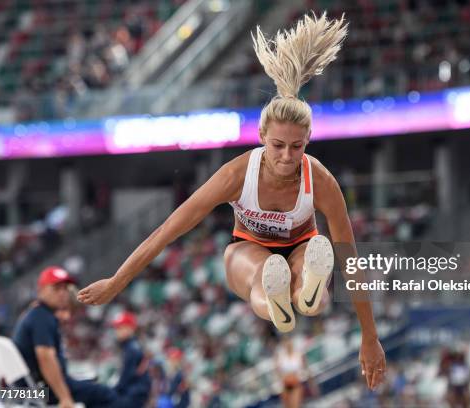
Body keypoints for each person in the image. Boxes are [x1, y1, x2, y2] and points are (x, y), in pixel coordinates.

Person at [77, 12, 386, 389]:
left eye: (297, 147)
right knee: (260, 276)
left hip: (303, 247)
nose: (288, 156)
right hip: (250, 250)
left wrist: (369, 336)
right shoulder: (236, 175)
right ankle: (283, 302)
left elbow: (350, 259)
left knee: (313, 270)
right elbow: (167, 230)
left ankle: (304, 296)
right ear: (260, 138)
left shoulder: (318, 179)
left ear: (307, 142)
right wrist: (117, 280)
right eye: (278, 146)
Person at [12, 266, 118, 408]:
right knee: (105, 394)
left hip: (24, 390)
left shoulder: (37, 314)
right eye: (56, 288)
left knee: (91, 385)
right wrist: (65, 397)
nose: (62, 293)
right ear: (41, 290)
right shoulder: (42, 317)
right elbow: (46, 358)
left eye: (64, 288)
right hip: (38, 391)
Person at [110, 311, 152, 408]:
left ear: (130, 328)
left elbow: (126, 378)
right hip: (134, 393)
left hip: (133, 395)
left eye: (120, 327)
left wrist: (112, 391)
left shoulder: (131, 349)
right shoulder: (130, 346)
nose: (117, 331)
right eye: (116, 328)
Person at [274, 337, 311, 408]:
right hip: (285, 384)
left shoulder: (298, 354)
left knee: (295, 405)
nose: (288, 344)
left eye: (289, 342)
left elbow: (306, 369)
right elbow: (277, 371)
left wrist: (311, 383)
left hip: (295, 383)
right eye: (285, 342)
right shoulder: (280, 356)